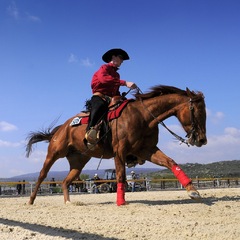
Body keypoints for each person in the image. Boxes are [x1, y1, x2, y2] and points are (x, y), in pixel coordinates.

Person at [85, 48, 137, 145]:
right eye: (121, 58)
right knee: (99, 106)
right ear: (113, 57)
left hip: (112, 99)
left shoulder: (117, 74)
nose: (122, 61)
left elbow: (115, 90)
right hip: (100, 97)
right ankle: (90, 133)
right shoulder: (104, 68)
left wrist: (120, 97)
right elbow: (103, 80)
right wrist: (125, 83)